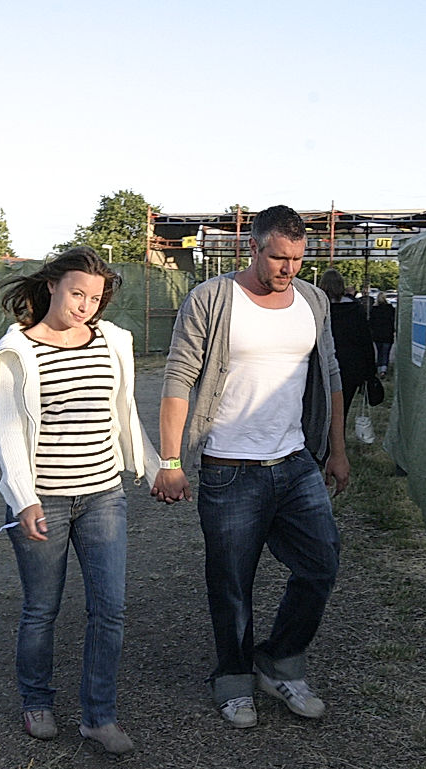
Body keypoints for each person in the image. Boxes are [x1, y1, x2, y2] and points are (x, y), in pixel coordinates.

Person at [151, 205, 349, 729]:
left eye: (298, 259)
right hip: (230, 466)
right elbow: (178, 378)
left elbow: (329, 373)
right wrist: (170, 460)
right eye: (279, 258)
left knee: (322, 562)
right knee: (232, 580)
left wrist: (338, 449)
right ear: (254, 248)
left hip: (294, 461)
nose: (289, 270)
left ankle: (279, 658)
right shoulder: (213, 299)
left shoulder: (313, 300)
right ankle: (233, 677)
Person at [0, 246, 156, 756]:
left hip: (104, 494)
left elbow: (122, 410)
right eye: (77, 293)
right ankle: (37, 701)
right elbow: (8, 430)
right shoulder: (16, 351)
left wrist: (154, 467)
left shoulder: (113, 341)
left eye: (94, 297)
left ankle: (98, 716)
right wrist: (23, 498)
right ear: (53, 287)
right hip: (45, 502)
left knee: (111, 608)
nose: (84, 305)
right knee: (42, 608)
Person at [319, 269, 376, 420]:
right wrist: (370, 372)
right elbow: (366, 341)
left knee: (322, 411)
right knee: (342, 411)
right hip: (351, 366)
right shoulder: (355, 309)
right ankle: (338, 439)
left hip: (323, 365)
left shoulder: (318, 309)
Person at [369, 291, 396, 378]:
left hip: (377, 335)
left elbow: (371, 323)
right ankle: (383, 370)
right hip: (387, 334)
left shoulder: (374, 310)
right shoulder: (390, 309)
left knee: (379, 352)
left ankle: (379, 368)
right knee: (386, 353)